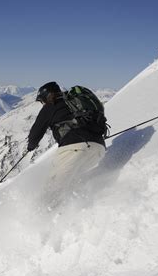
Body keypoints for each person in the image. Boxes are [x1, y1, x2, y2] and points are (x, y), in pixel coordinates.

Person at [27, 81, 106, 211]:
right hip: (98, 149)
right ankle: (75, 211)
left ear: (48, 96)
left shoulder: (50, 106)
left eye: (42, 100)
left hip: (74, 148)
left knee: (52, 187)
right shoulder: (77, 103)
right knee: (73, 181)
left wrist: (31, 145)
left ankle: (39, 218)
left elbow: (36, 132)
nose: (43, 103)